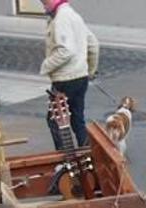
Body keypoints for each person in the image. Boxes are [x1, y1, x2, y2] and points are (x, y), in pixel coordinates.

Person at [39, 0, 99, 150]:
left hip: (65, 79)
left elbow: (66, 51)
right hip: (80, 77)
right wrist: (90, 71)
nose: (43, 6)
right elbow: (93, 44)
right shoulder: (74, 15)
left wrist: (46, 66)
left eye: (44, 2)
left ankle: (65, 160)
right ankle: (87, 156)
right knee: (77, 118)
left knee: (56, 120)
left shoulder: (61, 19)